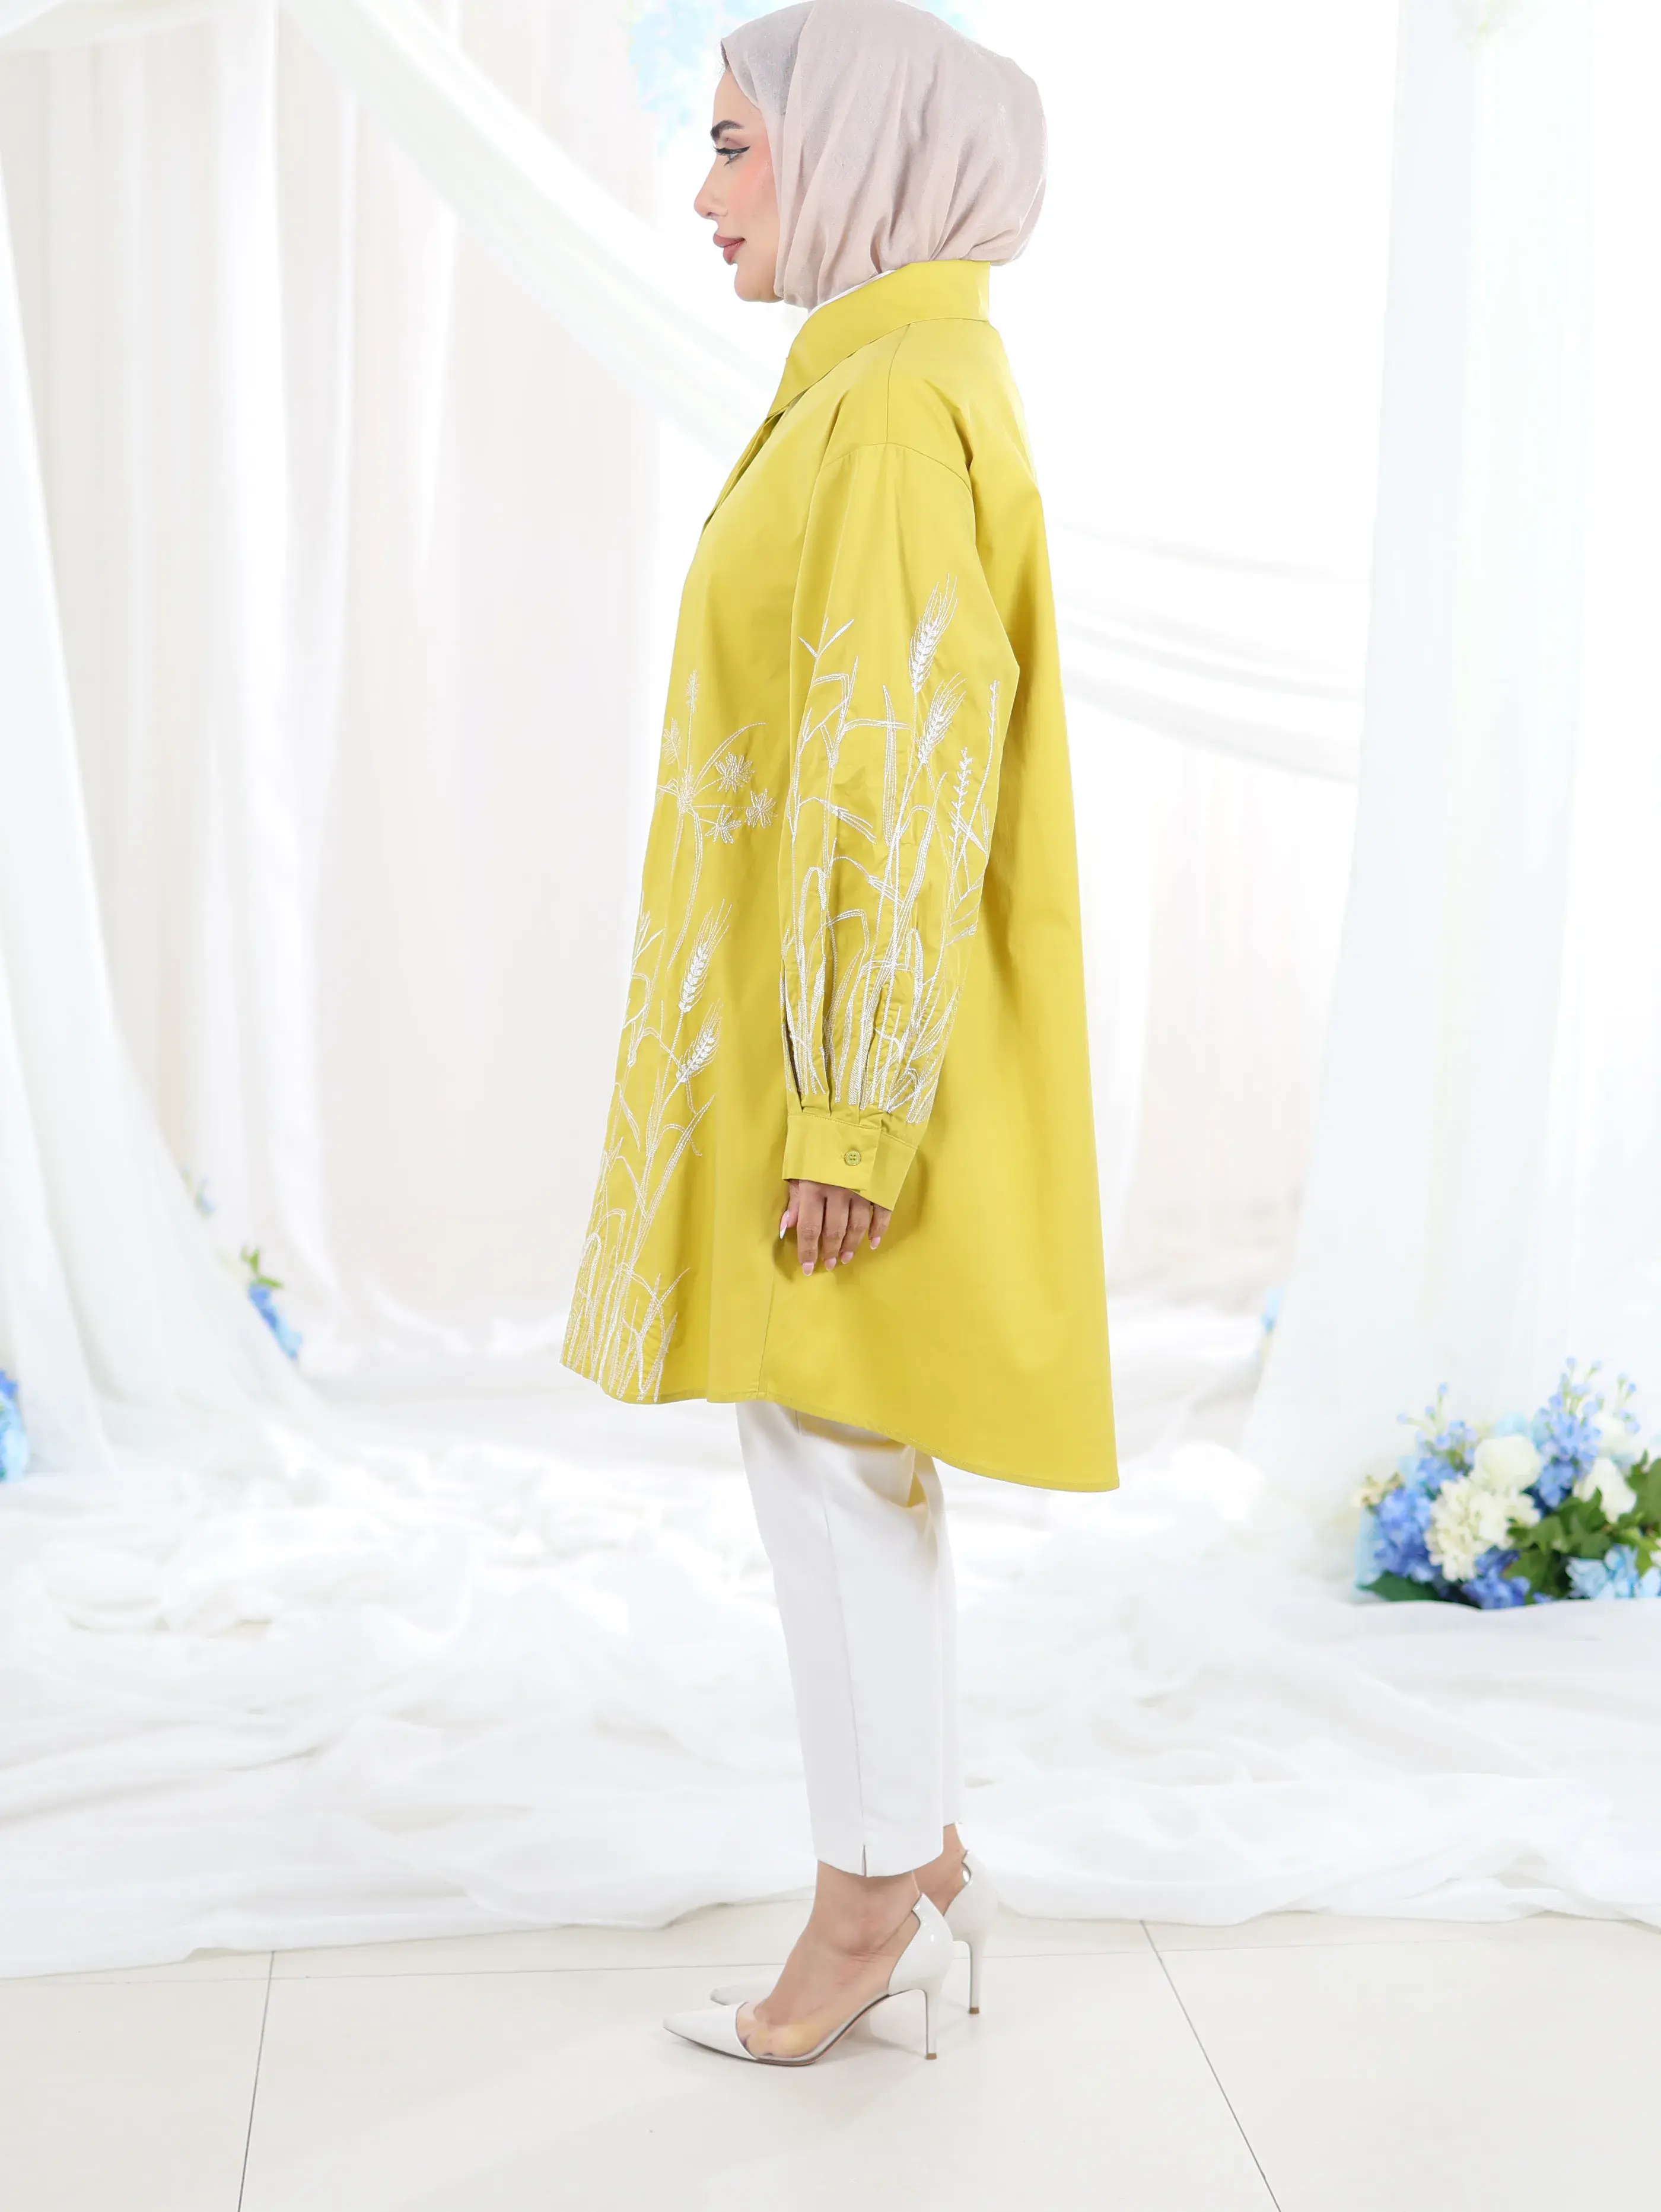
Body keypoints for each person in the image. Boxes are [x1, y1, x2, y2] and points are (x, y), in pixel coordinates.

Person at [562, 0, 1115, 2065]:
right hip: (838, 1031)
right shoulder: (895, 377)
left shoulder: (886, 411)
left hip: (853, 1057)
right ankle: (920, 1860)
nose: (704, 191)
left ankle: (870, 1900)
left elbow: (896, 763)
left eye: (734, 144)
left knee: (826, 1447)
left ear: (865, 149)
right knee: (844, 1444)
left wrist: (852, 1113)